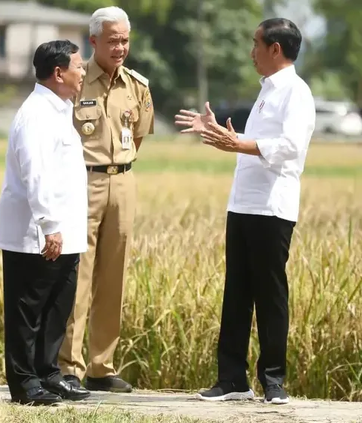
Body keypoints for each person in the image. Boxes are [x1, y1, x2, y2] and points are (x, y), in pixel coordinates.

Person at [175, 18, 315, 405]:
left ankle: (273, 380)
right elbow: (246, 141)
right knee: (236, 292)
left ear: (275, 49)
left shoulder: (296, 93)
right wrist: (219, 132)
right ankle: (232, 378)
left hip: (272, 207)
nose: (251, 51)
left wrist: (236, 142)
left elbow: (289, 145)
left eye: (256, 44)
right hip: (243, 204)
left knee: (270, 294)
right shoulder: (267, 92)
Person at [57, 6, 155, 393]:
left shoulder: (137, 86)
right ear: (93, 40)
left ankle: (101, 367)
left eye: (125, 40)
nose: (120, 48)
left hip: (123, 183)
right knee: (78, 275)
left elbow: (141, 135)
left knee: (113, 277)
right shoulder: (77, 82)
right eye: (112, 40)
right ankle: (69, 366)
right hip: (84, 182)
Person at [0, 40, 91, 406]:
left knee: (55, 309)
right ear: (58, 73)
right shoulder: (36, 113)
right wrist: (50, 224)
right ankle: (24, 383)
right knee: (27, 312)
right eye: (79, 67)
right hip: (36, 234)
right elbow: (36, 174)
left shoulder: (60, 109)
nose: (83, 72)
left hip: (65, 233)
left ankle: (48, 374)